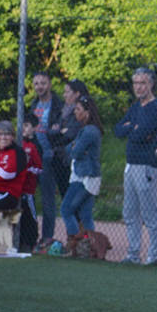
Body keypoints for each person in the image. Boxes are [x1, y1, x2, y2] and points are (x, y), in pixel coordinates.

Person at [115, 67, 157, 265]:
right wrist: (131, 128)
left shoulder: (156, 107)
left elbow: (141, 134)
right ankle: (133, 254)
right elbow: (118, 130)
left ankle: (155, 255)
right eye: (135, 83)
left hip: (146, 166)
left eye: (142, 83)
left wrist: (132, 129)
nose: (138, 87)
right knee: (130, 212)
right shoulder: (135, 107)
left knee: (150, 213)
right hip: (130, 166)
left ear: (151, 84)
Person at [61, 95, 103, 254]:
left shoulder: (89, 130)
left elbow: (75, 152)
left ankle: (74, 242)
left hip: (85, 176)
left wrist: (74, 147)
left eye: (78, 109)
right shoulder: (86, 130)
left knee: (66, 209)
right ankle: (91, 247)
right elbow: (71, 149)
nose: (75, 112)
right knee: (85, 214)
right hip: (86, 174)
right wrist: (74, 147)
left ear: (87, 112)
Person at [29, 71, 64, 247]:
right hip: (34, 155)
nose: (39, 87)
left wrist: (53, 133)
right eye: (36, 83)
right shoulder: (33, 104)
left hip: (49, 157)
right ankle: (28, 236)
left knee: (48, 199)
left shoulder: (58, 105)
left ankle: (47, 237)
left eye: (43, 83)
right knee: (28, 196)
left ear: (49, 84)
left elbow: (60, 130)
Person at [48, 79, 91, 196]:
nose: (64, 95)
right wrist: (60, 131)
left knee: (73, 196)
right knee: (64, 194)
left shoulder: (81, 112)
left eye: (67, 92)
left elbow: (71, 134)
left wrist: (58, 132)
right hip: (59, 157)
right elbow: (50, 132)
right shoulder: (62, 110)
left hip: (70, 159)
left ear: (77, 94)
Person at [18, 114, 44, 253]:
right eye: (22, 125)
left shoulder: (35, 146)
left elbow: (38, 168)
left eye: (27, 125)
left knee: (30, 214)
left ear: (34, 128)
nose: (24, 128)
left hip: (28, 188)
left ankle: (31, 241)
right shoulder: (18, 142)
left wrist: (27, 170)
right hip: (17, 188)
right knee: (17, 214)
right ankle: (18, 241)